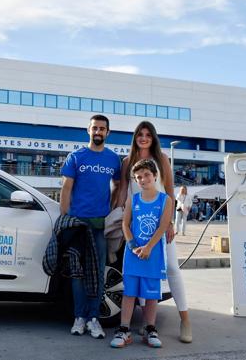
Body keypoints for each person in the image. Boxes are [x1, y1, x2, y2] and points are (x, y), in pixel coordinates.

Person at [116, 120, 192, 343]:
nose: (144, 137)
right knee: (140, 272)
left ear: (153, 137)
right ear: (135, 137)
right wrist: (121, 217)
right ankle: (147, 325)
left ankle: (185, 319)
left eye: (148, 134)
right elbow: (123, 191)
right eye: (140, 133)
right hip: (137, 224)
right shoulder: (127, 161)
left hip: (160, 225)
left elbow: (169, 191)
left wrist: (169, 223)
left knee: (171, 267)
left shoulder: (162, 160)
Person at [60, 114, 121, 339]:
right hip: (77, 223)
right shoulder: (76, 156)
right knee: (77, 272)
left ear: (107, 133)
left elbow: (118, 184)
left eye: (102, 129)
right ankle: (79, 317)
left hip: (99, 225)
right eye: (95, 128)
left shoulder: (113, 159)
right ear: (88, 130)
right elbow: (66, 188)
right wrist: (64, 218)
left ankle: (94, 319)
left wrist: (112, 208)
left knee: (97, 272)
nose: (98, 132)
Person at [111, 159, 172, 349]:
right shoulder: (133, 199)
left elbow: (163, 226)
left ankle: (150, 328)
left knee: (151, 295)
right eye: (139, 177)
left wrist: (148, 247)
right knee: (129, 293)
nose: (143, 179)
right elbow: (125, 224)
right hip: (133, 255)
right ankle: (124, 329)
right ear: (136, 181)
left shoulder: (165, 200)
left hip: (152, 255)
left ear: (155, 176)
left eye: (146, 175)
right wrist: (132, 244)